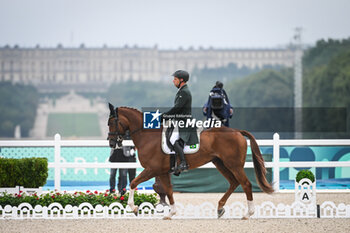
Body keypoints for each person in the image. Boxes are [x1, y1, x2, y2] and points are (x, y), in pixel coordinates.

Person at [161, 70, 199, 174]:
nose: (173, 81)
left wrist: (164, 116)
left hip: (184, 121)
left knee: (173, 139)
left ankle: (183, 163)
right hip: (179, 120)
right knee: (169, 136)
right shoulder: (182, 91)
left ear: (181, 80)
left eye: (175, 79)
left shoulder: (184, 92)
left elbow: (177, 108)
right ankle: (173, 165)